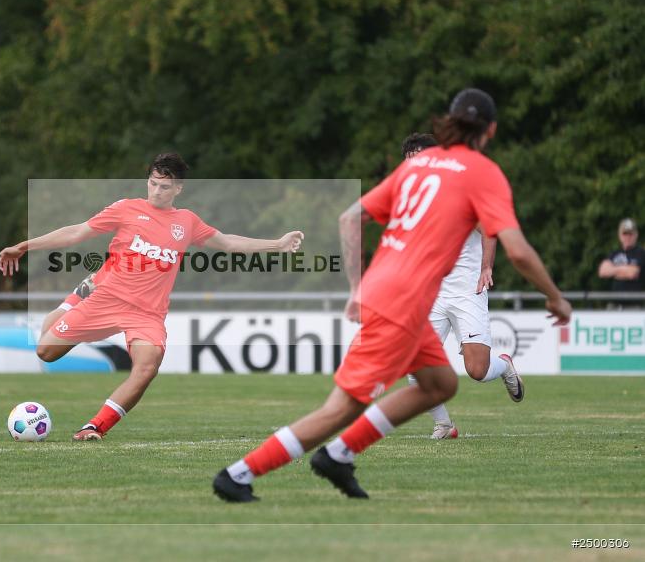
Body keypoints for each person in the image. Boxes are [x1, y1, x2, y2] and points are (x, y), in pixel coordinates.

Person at [212, 88, 572, 503]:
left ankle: (340, 455)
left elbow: (350, 219)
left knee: (439, 383)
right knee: (340, 409)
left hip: (399, 296)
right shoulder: (483, 172)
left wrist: (355, 287)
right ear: (490, 129)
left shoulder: (416, 169)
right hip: (403, 303)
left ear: (448, 121)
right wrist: (554, 297)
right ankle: (238, 475)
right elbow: (520, 251)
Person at [0, 152, 304, 441]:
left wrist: (277, 244)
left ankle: (95, 427)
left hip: (146, 314)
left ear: (178, 189)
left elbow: (229, 243)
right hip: (107, 298)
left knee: (148, 365)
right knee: (45, 351)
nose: (157, 191)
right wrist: (23, 246)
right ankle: (79, 294)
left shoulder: (187, 222)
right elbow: (75, 232)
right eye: (153, 183)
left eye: (165, 186)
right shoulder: (126, 209)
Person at [400, 133, 522, 441]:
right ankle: (444, 425)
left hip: (468, 290)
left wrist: (486, 267)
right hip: (434, 294)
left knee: (477, 370)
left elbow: (489, 231)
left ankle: (504, 365)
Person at [598, 218, 644, 296]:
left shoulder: (641, 253)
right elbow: (602, 271)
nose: (628, 237)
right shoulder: (615, 253)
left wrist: (614, 270)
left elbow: (632, 273)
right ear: (620, 235)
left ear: (636, 235)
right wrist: (624, 269)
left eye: (630, 234)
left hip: (634, 304)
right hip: (614, 304)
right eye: (625, 234)